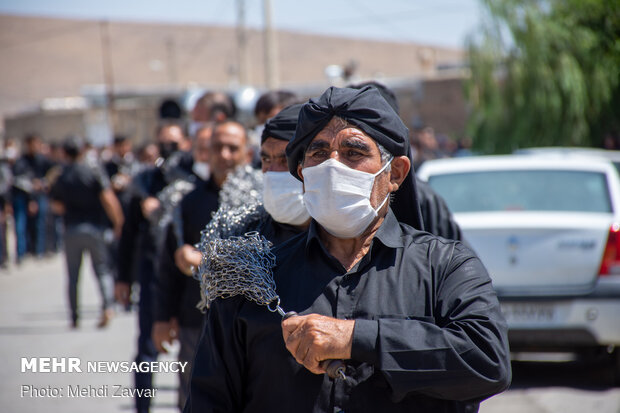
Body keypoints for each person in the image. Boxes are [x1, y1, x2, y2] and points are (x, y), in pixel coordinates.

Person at [185, 86, 511, 412]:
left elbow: (487, 361)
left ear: (395, 173)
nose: (332, 166)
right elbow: (208, 399)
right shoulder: (253, 278)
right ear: (302, 173)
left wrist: (355, 338)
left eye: (353, 152)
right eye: (318, 153)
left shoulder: (446, 266)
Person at [115, 121, 192, 413]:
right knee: (147, 347)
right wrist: (123, 278)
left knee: (194, 348)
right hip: (152, 273)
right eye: (163, 144)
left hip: (188, 277)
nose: (168, 150)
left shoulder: (196, 178)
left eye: (174, 143)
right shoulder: (144, 182)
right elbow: (128, 235)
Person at [50, 136, 124, 328]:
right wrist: (119, 222)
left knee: (73, 276)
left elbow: (56, 206)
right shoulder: (93, 171)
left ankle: (74, 317)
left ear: (65, 153)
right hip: (94, 228)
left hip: (72, 229)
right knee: (102, 270)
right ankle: (108, 307)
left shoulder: (61, 175)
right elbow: (108, 199)